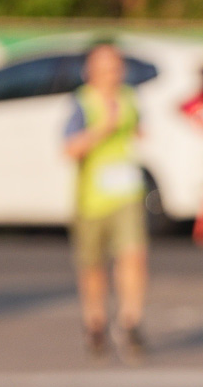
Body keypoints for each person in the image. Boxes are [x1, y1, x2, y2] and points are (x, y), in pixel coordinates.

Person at [62, 41, 147, 358]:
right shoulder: (82, 103)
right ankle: (95, 322)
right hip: (92, 198)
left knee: (133, 256)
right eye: (105, 68)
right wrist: (102, 129)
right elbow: (69, 149)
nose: (113, 74)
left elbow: (138, 130)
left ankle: (130, 321)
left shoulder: (130, 98)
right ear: (91, 71)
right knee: (93, 266)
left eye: (116, 67)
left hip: (127, 193)